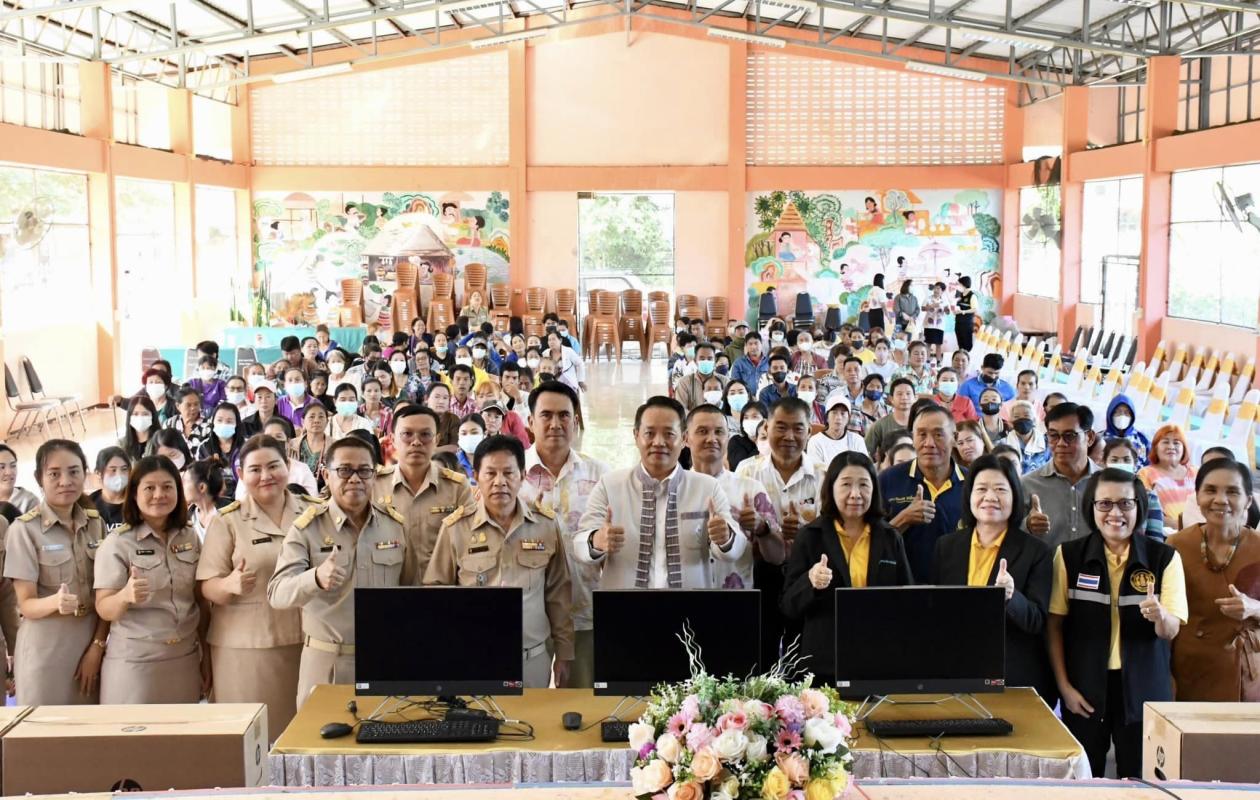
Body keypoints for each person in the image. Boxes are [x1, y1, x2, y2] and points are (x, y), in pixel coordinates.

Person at [1047, 468, 1187, 779]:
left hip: (1144, 690)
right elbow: (1054, 625)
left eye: (1125, 504)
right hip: (1084, 689)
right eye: (1105, 504)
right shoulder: (1069, 556)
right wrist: (1064, 688)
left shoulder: (1164, 558)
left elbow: (1171, 630)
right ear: (1091, 507)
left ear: (1139, 506)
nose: (1115, 513)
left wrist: (1160, 615)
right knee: (1083, 779)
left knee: (1142, 780)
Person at [268, 437, 410, 708]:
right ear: (325, 474)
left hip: (386, 660)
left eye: (364, 471)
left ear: (375, 475)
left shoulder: (395, 526)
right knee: (321, 747)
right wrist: (315, 578)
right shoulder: (307, 529)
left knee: (390, 742)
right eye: (344, 470)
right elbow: (277, 593)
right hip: (326, 664)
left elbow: (410, 590)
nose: (355, 479)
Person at [424, 435, 573, 688]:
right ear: (476, 476)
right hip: (473, 658)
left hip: (532, 659)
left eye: (508, 473)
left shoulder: (546, 525)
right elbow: (435, 592)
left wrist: (565, 653)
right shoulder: (455, 528)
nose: (499, 482)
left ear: (523, 475)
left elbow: (558, 592)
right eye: (490, 473)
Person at [199, 435, 321, 733]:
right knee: (255, 740)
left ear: (288, 467)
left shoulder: (316, 511)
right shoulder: (228, 521)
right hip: (247, 648)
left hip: (310, 640)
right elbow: (206, 586)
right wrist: (229, 585)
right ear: (241, 474)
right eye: (254, 469)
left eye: (273, 466)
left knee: (306, 735)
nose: (265, 476)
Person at [574, 396, 744, 590]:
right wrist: (596, 540)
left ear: (684, 439)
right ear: (636, 435)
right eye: (649, 433)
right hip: (625, 610)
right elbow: (579, 545)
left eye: (669, 434)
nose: (659, 442)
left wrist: (725, 537)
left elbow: (735, 550)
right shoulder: (610, 485)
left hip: (688, 612)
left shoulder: (707, 487)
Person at [931, 454, 1056, 705]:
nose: (990, 497)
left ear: (1014, 497)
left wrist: (1010, 597)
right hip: (956, 671)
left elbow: (1037, 621)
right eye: (981, 489)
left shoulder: (1036, 551)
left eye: (1000, 489)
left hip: (1012, 677)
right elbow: (935, 609)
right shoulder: (947, 546)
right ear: (969, 496)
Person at [781, 452, 913, 684]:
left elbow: (907, 600)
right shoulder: (811, 536)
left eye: (864, 485)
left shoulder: (889, 537)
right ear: (831, 488)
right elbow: (788, 607)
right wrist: (810, 582)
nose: (855, 494)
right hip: (823, 664)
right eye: (846, 485)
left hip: (876, 661)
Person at [95, 455, 210, 704]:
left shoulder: (189, 536)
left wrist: (206, 656)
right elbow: (104, 607)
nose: (159, 495)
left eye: (167, 487)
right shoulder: (118, 543)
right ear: (134, 494)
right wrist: (125, 596)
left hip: (185, 659)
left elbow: (200, 601)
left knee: (181, 740)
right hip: (135, 664)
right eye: (150, 488)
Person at [517, 383, 609, 688]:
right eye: (546, 415)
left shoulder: (600, 476)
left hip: (584, 613)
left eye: (564, 415)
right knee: (526, 712)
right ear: (530, 422)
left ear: (576, 420)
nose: (556, 423)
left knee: (581, 708)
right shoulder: (510, 476)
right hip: (527, 618)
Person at [4, 440, 108, 704]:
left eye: (74, 472)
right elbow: (26, 605)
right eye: (54, 474)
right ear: (39, 478)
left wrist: (97, 646)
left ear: (85, 474)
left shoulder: (96, 524)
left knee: (91, 732)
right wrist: (55, 602)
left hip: (91, 643)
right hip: (46, 650)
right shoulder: (24, 530)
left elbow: (106, 593)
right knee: (46, 736)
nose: (66, 481)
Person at [735, 398, 826, 666]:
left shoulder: (823, 475)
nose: (789, 436)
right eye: (781, 427)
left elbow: (830, 532)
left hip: (805, 577)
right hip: (760, 572)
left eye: (798, 429)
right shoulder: (747, 471)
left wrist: (804, 535)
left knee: (802, 654)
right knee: (760, 651)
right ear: (766, 427)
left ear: (809, 431)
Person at [1167, 459, 1260, 701]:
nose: (1220, 499)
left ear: (1248, 500)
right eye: (1210, 490)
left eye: (1232, 491)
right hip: (1188, 666)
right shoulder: (1176, 545)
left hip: (1247, 672)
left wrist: (1254, 608)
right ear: (1196, 496)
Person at [686, 404, 781, 591]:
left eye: (719, 432)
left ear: (727, 438)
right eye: (702, 431)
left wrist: (762, 529)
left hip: (738, 599)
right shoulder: (674, 489)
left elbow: (777, 557)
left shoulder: (751, 489)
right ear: (685, 438)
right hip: (684, 599)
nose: (712, 439)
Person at [879, 403, 966, 581]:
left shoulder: (974, 483)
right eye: (922, 434)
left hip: (960, 589)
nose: (929, 443)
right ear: (913, 437)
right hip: (902, 588)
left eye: (938, 434)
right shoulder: (888, 479)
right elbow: (869, 543)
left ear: (955, 438)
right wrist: (902, 519)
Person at [1023, 402, 1101, 550]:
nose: (1060, 443)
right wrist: (1027, 525)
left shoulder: (1107, 484)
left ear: (1090, 437)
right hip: (1047, 570)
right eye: (1053, 436)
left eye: (1069, 436)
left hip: (1097, 570)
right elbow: (1010, 537)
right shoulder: (1027, 485)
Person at [1139, 425, 1198, 534]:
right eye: (1165, 442)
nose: (1171, 446)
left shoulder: (1195, 472)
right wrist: (1177, 525)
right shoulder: (1145, 473)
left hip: (1197, 531)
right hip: (1163, 533)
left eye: (1176, 443)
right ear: (1156, 447)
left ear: (1184, 448)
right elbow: (1145, 509)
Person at [197, 402, 245, 498]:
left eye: (229, 421)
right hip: (213, 499)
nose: (224, 424)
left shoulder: (246, 446)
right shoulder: (204, 447)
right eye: (219, 420)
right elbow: (200, 478)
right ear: (213, 422)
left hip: (242, 497)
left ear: (237, 424)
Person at [807, 393, 868, 467]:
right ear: (827, 417)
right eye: (834, 413)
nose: (838, 417)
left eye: (843, 413)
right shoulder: (815, 441)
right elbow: (817, 472)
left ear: (848, 418)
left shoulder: (857, 440)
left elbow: (864, 467)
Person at [865, 377, 915, 460]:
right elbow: (865, 453)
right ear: (891, 399)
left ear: (915, 397)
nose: (904, 397)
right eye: (899, 394)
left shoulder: (921, 424)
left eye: (908, 393)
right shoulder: (879, 425)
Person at [675, 342, 727, 412]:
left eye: (709, 358)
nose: (706, 361)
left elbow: (729, 409)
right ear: (695, 361)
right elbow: (681, 410)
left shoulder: (725, 381)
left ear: (714, 361)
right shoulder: (684, 383)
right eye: (702, 359)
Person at [1003, 399, 1050, 475]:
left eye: (1026, 415)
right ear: (1011, 422)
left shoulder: (1047, 443)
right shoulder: (1003, 444)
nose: (1022, 419)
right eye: (1016, 416)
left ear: (1034, 420)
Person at [90, 447, 130, 534]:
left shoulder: (136, 501)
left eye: (124, 469)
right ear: (98, 473)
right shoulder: (89, 503)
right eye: (113, 470)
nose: (119, 475)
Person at [1103, 394, 1149, 467]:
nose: (1122, 415)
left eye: (1126, 412)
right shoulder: (1100, 439)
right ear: (1110, 414)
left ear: (1132, 416)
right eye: (1117, 412)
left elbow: (1149, 466)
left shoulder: (1142, 440)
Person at [164, 387, 212, 453]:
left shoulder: (208, 425)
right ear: (178, 406)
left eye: (196, 404)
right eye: (188, 405)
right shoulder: (170, 424)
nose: (193, 408)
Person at [294, 403, 330, 483]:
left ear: (327, 421)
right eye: (312, 417)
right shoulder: (292, 445)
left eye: (321, 417)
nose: (316, 420)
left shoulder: (335, 446)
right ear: (303, 421)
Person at [728, 401, 766, 471]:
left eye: (755, 417)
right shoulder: (736, 441)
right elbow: (740, 467)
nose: (750, 421)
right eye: (746, 418)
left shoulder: (771, 442)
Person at [120, 396, 159, 462]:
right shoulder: (121, 444)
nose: (140, 417)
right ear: (129, 417)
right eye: (135, 414)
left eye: (145, 414)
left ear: (152, 416)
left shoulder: (160, 442)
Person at [851, 374, 888, 438]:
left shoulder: (887, 410)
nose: (875, 389)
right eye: (871, 386)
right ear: (864, 388)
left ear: (882, 391)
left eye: (878, 387)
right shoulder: (855, 411)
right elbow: (854, 438)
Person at [455, 414, 486, 480]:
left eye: (474, 433)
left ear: (484, 434)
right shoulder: (453, 462)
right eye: (464, 433)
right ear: (458, 436)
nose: (468, 437)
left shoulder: (494, 460)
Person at [921, 282, 947, 358]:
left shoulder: (945, 300)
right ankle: (927, 361)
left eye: (938, 288)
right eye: (935, 288)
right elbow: (922, 308)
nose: (936, 290)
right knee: (928, 343)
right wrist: (932, 306)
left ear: (942, 291)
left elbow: (948, 312)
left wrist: (946, 310)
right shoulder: (928, 298)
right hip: (929, 325)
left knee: (938, 344)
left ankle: (938, 361)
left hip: (939, 325)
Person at [954, 275, 975, 351]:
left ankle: (967, 360)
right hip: (958, 322)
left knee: (967, 344)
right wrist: (955, 311)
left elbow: (975, 309)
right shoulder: (961, 296)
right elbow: (958, 308)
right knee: (960, 344)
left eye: (959, 284)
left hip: (967, 324)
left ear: (964, 285)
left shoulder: (972, 296)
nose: (958, 286)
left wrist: (963, 311)